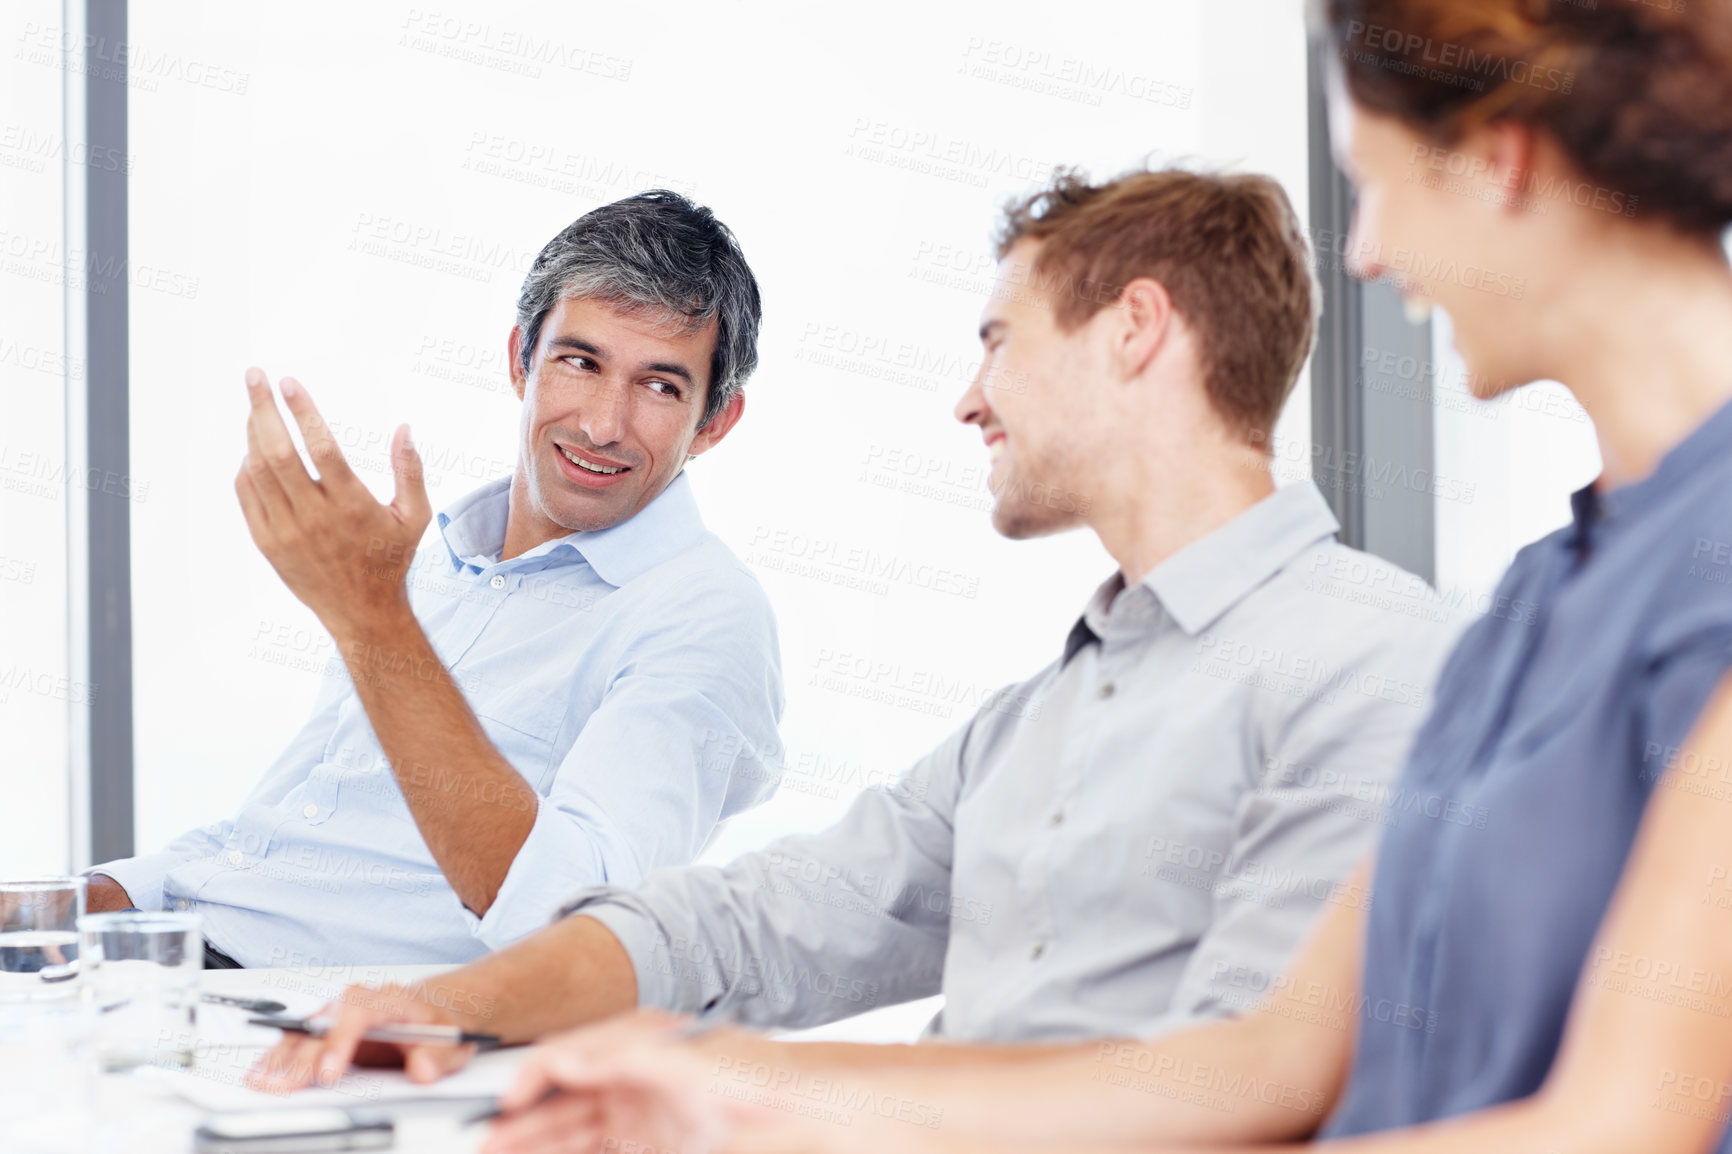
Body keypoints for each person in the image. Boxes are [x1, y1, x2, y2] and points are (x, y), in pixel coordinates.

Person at [462, 1, 1732, 1152]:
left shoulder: (1456, 636)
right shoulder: (1527, 609)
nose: (1367, 256)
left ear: (1499, 163)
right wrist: (727, 1084)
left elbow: (1615, 1123)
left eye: (1378, 191)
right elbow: (1267, 1061)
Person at [253, 166, 1458, 1091]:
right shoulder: (1038, 717)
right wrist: (445, 1002)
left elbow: (1238, 1083)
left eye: (998, 340)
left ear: (1133, 329)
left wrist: (752, 1100)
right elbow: (754, 919)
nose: (968, 398)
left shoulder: (1372, 662)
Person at [84, 191, 787, 968]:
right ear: (522, 359)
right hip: (178, 956)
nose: (601, 424)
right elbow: (275, 837)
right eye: (579, 362)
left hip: (306, 1024)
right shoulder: (429, 560)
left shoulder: (704, 615)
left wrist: (370, 616)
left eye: (660, 386)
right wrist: (90, 897)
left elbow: (575, 929)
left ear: (715, 422)